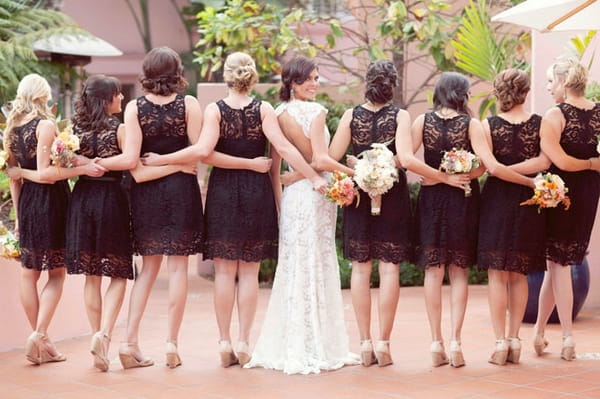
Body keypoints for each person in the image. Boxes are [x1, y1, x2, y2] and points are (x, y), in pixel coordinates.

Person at [141, 52, 327, 367]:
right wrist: (312, 176)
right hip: (256, 193)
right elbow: (282, 148)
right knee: (250, 272)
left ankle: (224, 340)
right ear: (252, 77)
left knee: (225, 272)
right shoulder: (264, 109)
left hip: (224, 193)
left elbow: (206, 154)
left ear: (227, 77)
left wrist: (161, 159)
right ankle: (243, 340)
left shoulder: (214, 110)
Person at [327, 60, 467, 367]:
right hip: (391, 196)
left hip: (361, 196)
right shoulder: (401, 116)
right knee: (389, 269)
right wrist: (442, 177)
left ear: (367, 83)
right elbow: (404, 158)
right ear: (392, 85)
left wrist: (355, 168)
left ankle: (364, 344)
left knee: (361, 269)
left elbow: (327, 158)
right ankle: (384, 344)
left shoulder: (351, 116)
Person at [244, 56, 359, 374]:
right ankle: (319, 342)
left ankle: (291, 341)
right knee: (318, 261)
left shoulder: (278, 114)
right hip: (315, 194)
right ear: (292, 82)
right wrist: (355, 170)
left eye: (317, 78)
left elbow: (276, 170)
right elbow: (321, 159)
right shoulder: (317, 112)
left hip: (296, 198)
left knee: (295, 264)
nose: (315, 84)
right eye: (309, 79)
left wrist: (281, 205)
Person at [3, 74, 106, 365]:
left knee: (28, 273)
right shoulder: (45, 125)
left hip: (27, 204)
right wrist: (83, 171)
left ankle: (41, 341)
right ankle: (39, 335)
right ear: (42, 95)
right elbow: (46, 174)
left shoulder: (11, 129)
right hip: (50, 202)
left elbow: (14, 178)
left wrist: (20, 214)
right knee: (56, 274)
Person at [119, 47, 205, 369]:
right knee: (179, 268)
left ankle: (129, 342)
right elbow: (196, 152)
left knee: (148, 269)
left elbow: (135, 163)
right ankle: (171, 343)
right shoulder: (190, 104)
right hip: (181, 190)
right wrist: (178, 166)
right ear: (177, 71)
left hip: (147, 194)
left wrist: (162, 163)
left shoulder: (133, 108)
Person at [470, 69, 550, 365]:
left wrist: (506, 170)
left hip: (497, 201)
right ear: (526, 92)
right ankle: (515, 340)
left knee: (496, 274)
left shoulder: (485, 125)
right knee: (518, 273)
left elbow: (491, 168)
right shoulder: (540, 124)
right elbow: (543, 161)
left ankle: (500, 342)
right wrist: (527, 178)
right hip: (529, 202)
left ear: (498, 92)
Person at [410, 72, 484, 368]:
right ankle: (456, 342)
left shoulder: (421, 122)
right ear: (461, 94)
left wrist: (436, 177)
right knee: (459, 271)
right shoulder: (471, 124)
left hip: (432, 199)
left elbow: (406, 159)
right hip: (463, 198)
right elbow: (485, 165)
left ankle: (435, 341)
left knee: (433, 270)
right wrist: (461, 176)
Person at [65, 75, 138, 371]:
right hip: (111, 199)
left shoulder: (74, 130)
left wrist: (86, 164)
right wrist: (104, 164)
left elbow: (64, 159)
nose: (121, 99)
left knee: (91, 275)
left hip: (82, 200)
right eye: (118, 94)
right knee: (118, 273)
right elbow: (131, 159)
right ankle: (104, 335)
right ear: (107, 98)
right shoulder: (119, 129)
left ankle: (97, 339)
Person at [533, 57, 600, 361]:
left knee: (558, 264)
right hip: (588, 192)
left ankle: (568, 337)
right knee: (556, 264)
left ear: (562, 82)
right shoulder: (598, 111)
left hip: (561, 194)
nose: (548, 88)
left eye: (550, 82)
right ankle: (538, 333)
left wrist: (585, 164)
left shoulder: (555, 114)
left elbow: (560, 162)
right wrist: (593, 165)